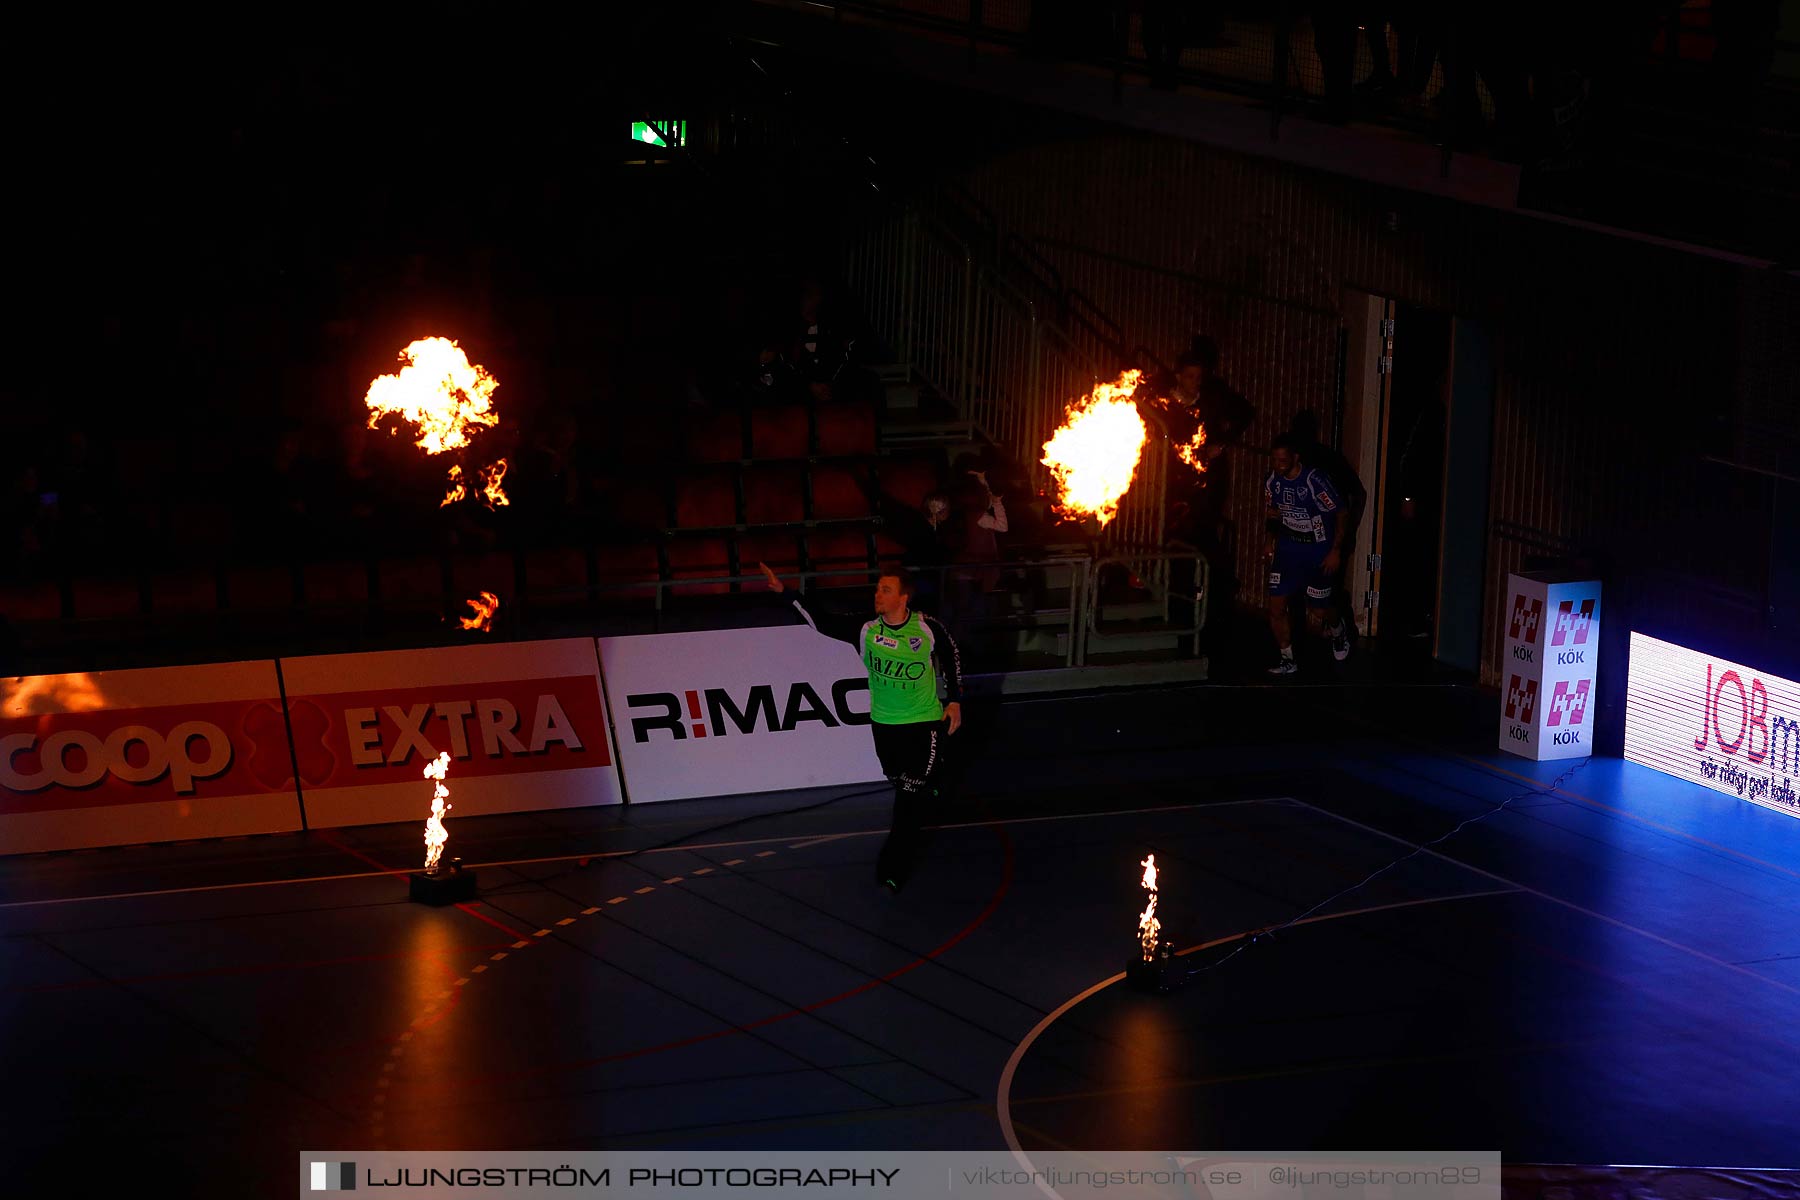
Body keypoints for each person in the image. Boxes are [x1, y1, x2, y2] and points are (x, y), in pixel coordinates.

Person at [758, 560, 962, 893]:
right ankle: (933, 779)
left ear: (903, 597)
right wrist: (785, 593)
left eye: (885, 590)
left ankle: (892, 869)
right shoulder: (867, 630)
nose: (877, 594)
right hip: (884, 724)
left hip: (924, 722)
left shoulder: (927, 628)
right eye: (877, 588)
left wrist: (954, 699)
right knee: (898, 779)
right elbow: (820, 621)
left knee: (909, 798)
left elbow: (952, 656)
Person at [1264, 433, 1351, 674]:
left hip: (1318, 550)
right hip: (1288, 549)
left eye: (1283, 460)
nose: (1278, 465)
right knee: (1276, 606)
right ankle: (1287, 658)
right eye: (1275, 460)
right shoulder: (1273, 481)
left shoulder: (1314, 481)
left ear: (1295, 458)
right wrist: (1269, 541)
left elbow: (1342, 513)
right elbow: (1272, 513)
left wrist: (1335, 550)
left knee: (1319, 608)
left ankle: (1338, 629)